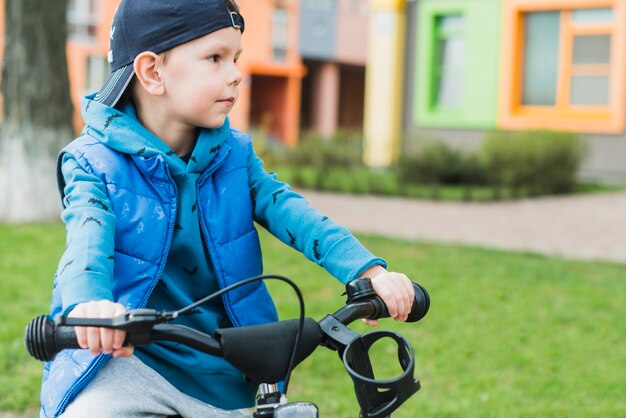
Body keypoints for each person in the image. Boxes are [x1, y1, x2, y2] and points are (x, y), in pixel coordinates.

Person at [41, 0, 415, 417]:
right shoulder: (93, 162)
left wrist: (366, 271)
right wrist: (87, 307)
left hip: (226, 374)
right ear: (152, 72)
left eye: (235, 57)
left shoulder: (235, 154)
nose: (236, 73)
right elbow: (86, 239)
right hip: (128, 365)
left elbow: (293, 213)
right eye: (215, 58)